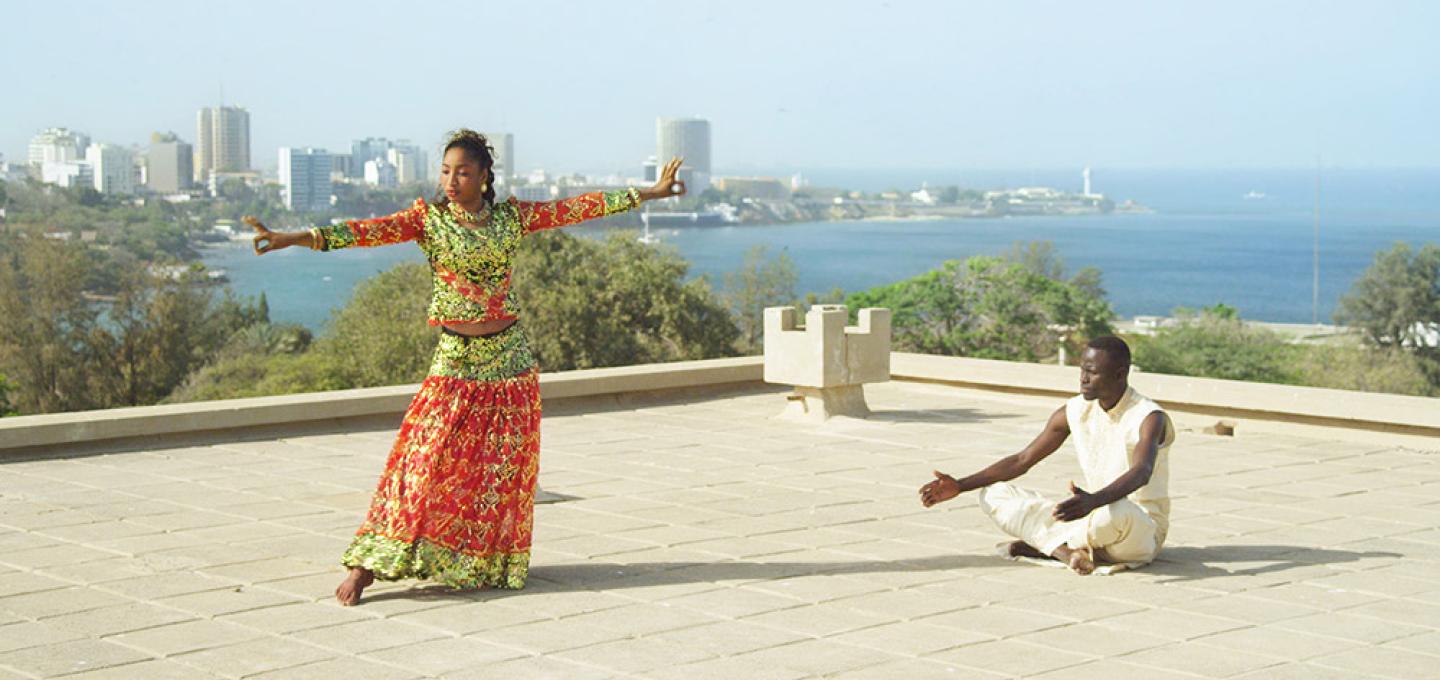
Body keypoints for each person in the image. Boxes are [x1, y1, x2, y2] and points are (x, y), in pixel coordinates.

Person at [245, 129, 687, 605]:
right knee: (420, 460)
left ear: (483, 177)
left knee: (497, 468)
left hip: (510, 359)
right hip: (456, 357)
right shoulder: (429, 221)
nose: (451, 181)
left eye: (462, 172)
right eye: (445, 171)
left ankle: (479, 560)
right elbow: (364, 231)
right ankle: (365, 565)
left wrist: (650, 193)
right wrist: (293, 237)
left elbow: (579, 206)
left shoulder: (512, 218)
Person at [917, 336, 1175, 574]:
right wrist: (960, 485)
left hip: (1136, 528)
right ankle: (1065, 551)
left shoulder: (1148, 417)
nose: (1083, 379)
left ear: (1119, 374)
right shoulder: (1074, 410)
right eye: (1082, 370)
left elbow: (1142, 471)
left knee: (1117, 511)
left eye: (1092, 372)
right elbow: (1023, 459)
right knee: (993, 494)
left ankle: (1046, 544)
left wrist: (1094, 501)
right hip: (1091, 515)